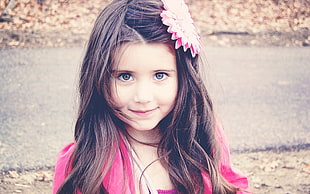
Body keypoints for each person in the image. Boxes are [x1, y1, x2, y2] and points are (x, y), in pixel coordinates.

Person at [53, 0, 251, 193]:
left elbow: (230, 185)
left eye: (160, 75)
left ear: (184, 76)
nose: (143, 97)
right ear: (98, 77)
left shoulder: (203, 135)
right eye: (125, 76)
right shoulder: (84, 164)